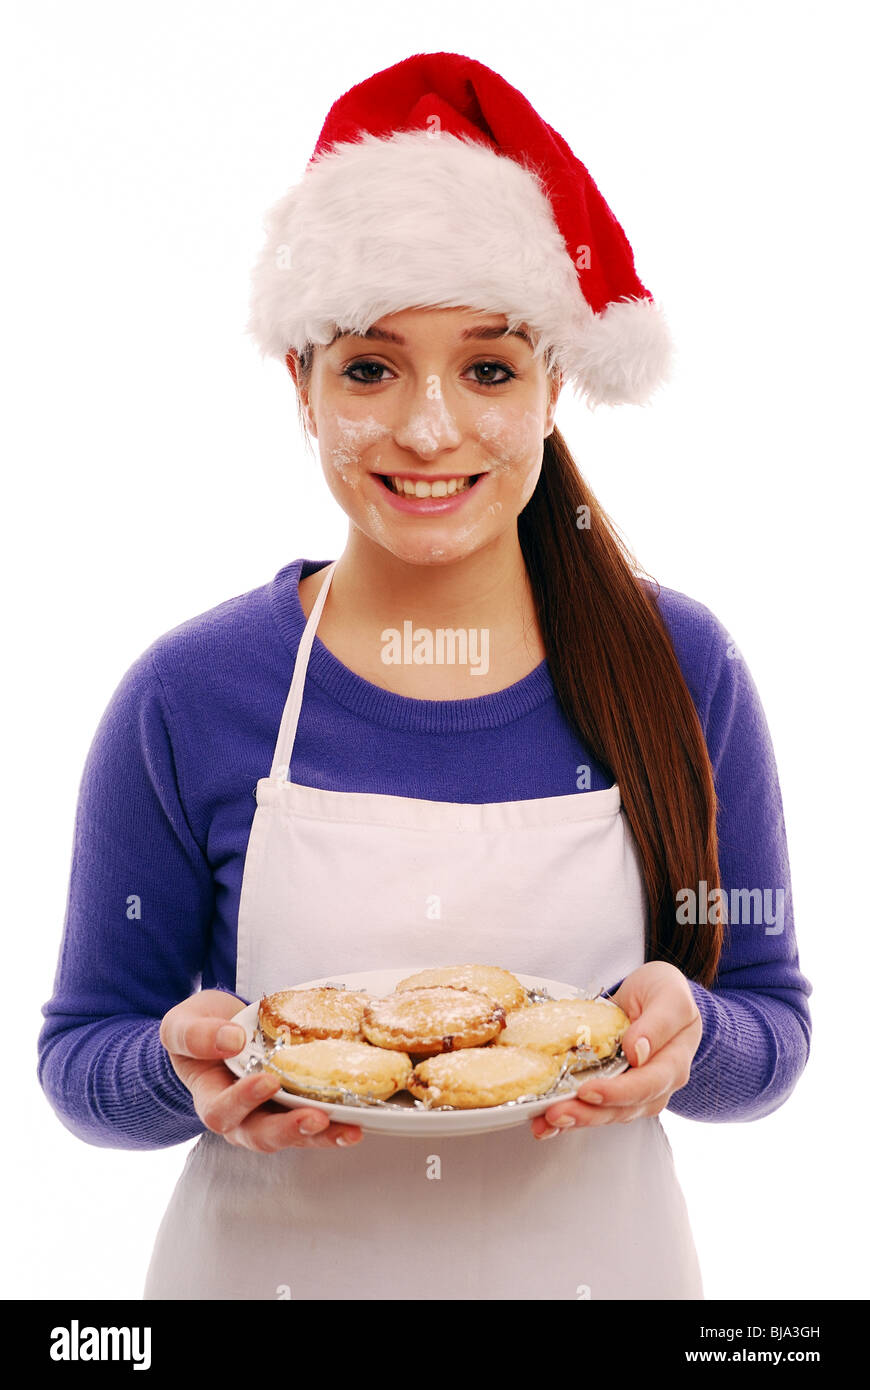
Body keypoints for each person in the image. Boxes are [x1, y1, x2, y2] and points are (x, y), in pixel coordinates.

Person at [37, 52, 812, 1301]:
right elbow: (84, 1054)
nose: (430, 428)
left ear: (558, 384)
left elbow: (772, 1024)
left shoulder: (683, 666)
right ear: (300, 381)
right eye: (370, 366)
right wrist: (169, 1068)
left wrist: (695, 1034)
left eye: (491, 367)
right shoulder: (189, 694)